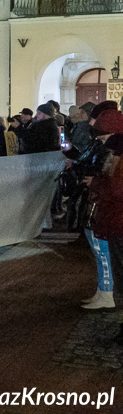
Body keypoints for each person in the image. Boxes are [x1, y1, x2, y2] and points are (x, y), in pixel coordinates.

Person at [87, 111, 123, 340]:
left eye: (102, 136)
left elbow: (117, 190)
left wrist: (98, 184)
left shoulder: (119, 154)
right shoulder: (116, 153)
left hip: (118, 220)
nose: (100, 142)